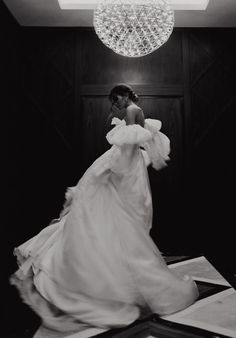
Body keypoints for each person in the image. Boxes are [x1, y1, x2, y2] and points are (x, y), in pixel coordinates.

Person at [10, 84, 199, 338]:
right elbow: (139, 141)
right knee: (118, 221)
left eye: (115, 99)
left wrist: (111, 170)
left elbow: (128, 147)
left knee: (107, 214)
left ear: (123, 96)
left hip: (124, 166)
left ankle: (106, 282)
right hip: (130, 168)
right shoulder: (136, 111)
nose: (115, 104)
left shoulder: (133, 110)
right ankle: (120, 274)